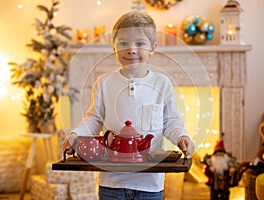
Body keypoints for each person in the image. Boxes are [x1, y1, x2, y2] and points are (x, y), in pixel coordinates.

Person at [62, 11, 194, 200]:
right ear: (113, 47)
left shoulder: (161, 83)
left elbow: (170, 121)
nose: (131, 49)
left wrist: (181, 136)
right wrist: (76, 134)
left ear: (153, 48)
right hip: (111, 182)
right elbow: (94, 119)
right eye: (123, 43)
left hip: (149, 184)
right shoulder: (104, 82)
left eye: (139, 43)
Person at [203, 135, 239, 200]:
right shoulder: (211, 161)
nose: (219, 155)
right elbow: (207, 169)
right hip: (214, 183)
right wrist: (210, 168)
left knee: (225, 195)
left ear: (225, 155)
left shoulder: (228, 160)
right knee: (214, 195)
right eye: (217, 153)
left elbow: (233, 164)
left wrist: (232, 168)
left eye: (221, 153)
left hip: (225, 183)